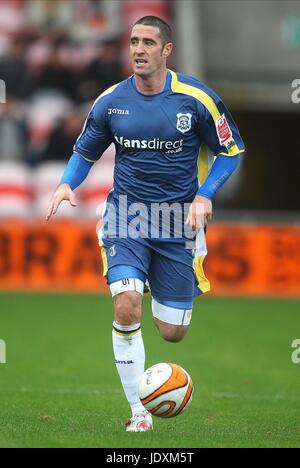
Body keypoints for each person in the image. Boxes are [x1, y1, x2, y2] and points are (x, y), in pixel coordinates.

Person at [46, 16, 245, 432]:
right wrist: (67, 184)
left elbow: (230, 151)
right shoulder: (111, 101)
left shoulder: (196, 99)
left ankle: (149, 281)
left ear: (166, 50)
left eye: (148, 43)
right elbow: (85, 152)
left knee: (172, 332)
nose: (138, 49)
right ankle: (139, 412)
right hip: (127, 217)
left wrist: (205, 194)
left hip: (177, 224)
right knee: (125, 307)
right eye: (134, 41)